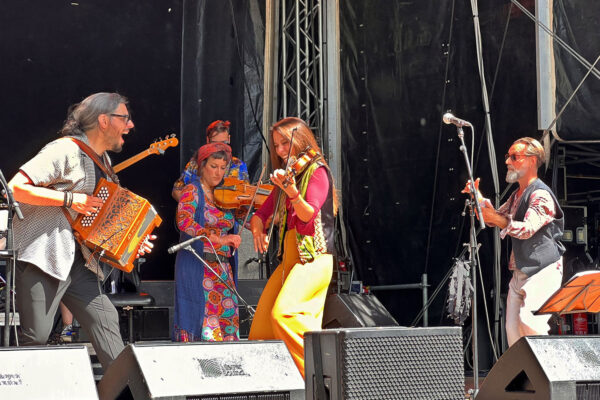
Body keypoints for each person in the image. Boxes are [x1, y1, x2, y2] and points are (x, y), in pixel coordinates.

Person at [8, 92, 155, 369]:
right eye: (124, 118)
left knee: (107, 325)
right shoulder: (63, 150)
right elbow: (16, 188)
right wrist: (71, 199)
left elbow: (101, 217)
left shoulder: (104, 162)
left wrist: (133, 242)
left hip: (79, 261)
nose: (131, 125)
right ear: (103, 120)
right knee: (36, 339)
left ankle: (124, 390)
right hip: (45, 256)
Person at [248, 117, 338, 378]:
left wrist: (293, 193)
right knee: (261, 330)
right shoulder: (290, 176)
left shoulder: (317, 171)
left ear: (300, 140)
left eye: (284, 143)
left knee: (285, 315)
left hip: (314, 259)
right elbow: (260, 214)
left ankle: (316, 379)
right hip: (290, 258)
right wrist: (258, 229)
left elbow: (308, 214)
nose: (279, 151)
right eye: (276, 145)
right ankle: (279, 386)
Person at [466, 137, 564, 347]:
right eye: (507, 157)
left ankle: (546, 376)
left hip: (543, 270)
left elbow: (527, 229)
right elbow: (495, 217)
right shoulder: (516, 195)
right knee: (512, 329)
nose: (507, 161)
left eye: (514, 157)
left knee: (531, 323)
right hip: (521, 271)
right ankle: (524, 378)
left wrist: (496, 219)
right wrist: (479, 198)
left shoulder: (540, 194)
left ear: (531, 160)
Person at [172, 142, 242, 342]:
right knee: (206, 326)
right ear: (202, 166)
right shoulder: (192, 191)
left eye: (222, 167)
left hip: (222, 269)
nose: (218, 173)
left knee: (228, 324)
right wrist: (219, 238)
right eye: (213, 166)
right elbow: (184, 221)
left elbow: (243, 217)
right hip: (199, 265)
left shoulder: (226, 195)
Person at [172, 120, 249, 202]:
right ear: (208, 140)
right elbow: (176, 191)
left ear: (229, 139)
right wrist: (192, 206)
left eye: (223, 143)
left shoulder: (239, 165)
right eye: (215, 143)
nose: (220, 148)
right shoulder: (194, 163)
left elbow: (245, 197)